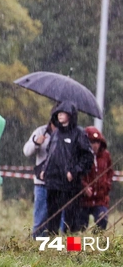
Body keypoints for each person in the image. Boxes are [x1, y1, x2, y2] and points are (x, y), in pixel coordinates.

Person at [39, 101, 93, 234]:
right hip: (53, 183)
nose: (60, 115)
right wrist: (44, 169)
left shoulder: (79, 133)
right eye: (58, 113)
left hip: (70, 185)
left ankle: (72, 251)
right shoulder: (55, 134)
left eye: (63, 113)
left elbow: (87, 157)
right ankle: (52, 251)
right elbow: (50, 154)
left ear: (71, 115)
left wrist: (74, 171)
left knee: (72, 222)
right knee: (52, 220)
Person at [23, 120, 56, 238]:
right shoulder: (41, 131)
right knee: (40, 219)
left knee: (58, 220)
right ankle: (37, 246)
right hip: (42, 182)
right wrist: (36, 143)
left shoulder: (67, 133)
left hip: (59, 183)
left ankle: (55, 248)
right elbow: (26, 151)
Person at [77, 126, 113, 231]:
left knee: (102, 221)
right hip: (82, 200)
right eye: (92, 142)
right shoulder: (80, 156)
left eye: (97, 142)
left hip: (101, 199)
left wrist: (107, 185)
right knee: (79, 228)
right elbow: (77, 174)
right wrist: (83, 187)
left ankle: (96, 244)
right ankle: (75, 247)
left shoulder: (106, 156)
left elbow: (110, 172)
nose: (95, 145)